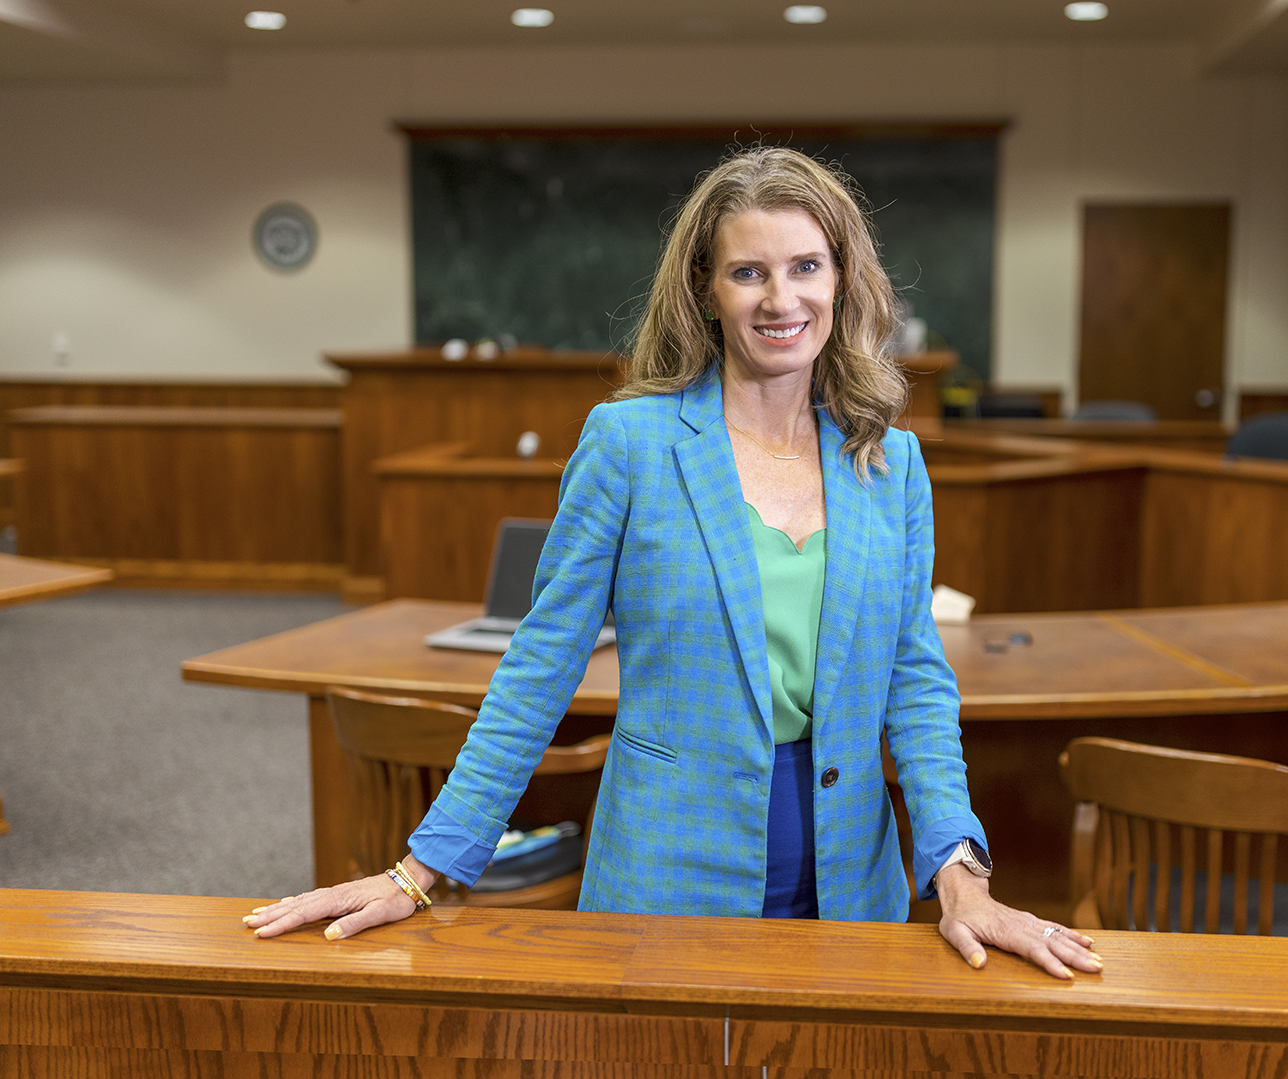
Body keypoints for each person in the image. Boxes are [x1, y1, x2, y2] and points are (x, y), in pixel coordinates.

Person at [245, 147, 1102, 980]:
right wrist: (420, 868)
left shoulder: (889, 462)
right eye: (748, 272)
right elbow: (540, 665)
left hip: (851, 877)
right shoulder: (629, 444)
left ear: (842, 278)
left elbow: (914, 680)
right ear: (706, 288)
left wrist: (961, 875)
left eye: (806, 266)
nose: (781, 298)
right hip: (665, 872)